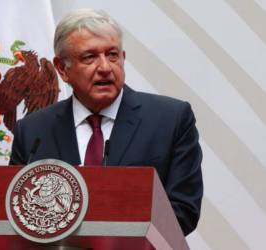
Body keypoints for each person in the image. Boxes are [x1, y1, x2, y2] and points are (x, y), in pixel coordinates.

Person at [10, 8, 203, 236]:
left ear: (123, 58)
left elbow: (183, 211)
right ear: (62, 68)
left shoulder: (171, 119)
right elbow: (16, 211)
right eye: (89, 57)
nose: (104, 67)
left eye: (112, 55)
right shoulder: (33, 130)